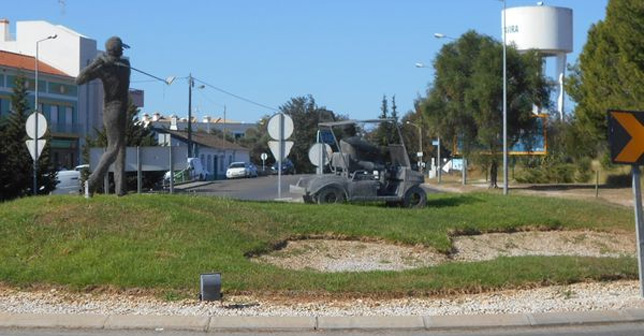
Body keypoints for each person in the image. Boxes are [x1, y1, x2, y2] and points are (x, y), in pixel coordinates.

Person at [76, 36, 131, 196]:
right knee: (115, 148)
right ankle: (92, 182)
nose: (122, 51)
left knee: (119, 148)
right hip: (117, 110)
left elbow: (79, 79)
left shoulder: (106, 67)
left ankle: (120, 189)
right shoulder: (125, 65)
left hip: (111, 110)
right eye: (121, 49)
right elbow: (77, 81)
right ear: (119, 50)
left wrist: (96, 62)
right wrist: (101, 62)